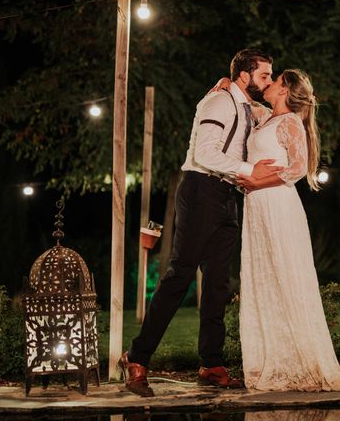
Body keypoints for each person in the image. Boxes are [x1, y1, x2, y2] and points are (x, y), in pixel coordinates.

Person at [118, 48, 282, 397]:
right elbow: (205, 153)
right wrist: (250, 171)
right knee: (179, 276)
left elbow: (275, 116)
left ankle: (211, 364)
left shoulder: (244, 105)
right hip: (200, 190)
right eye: (264, 75)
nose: (267, 81)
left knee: (218, 285)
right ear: (244, 75)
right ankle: (137, 357)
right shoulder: (218, 103)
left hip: (226, 196)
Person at [236, 69, 340, 391]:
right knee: (264, 278)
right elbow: (243, 100)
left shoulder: (289, 123)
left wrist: (256, 181)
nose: (267, 84)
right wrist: (226, 84)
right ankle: (269, 358)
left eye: (274, 81)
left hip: (278, 205)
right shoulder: (267, 118)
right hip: (257, 209)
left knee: (285, 275)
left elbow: (298, 168)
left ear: (284, 90)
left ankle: (301, 362)